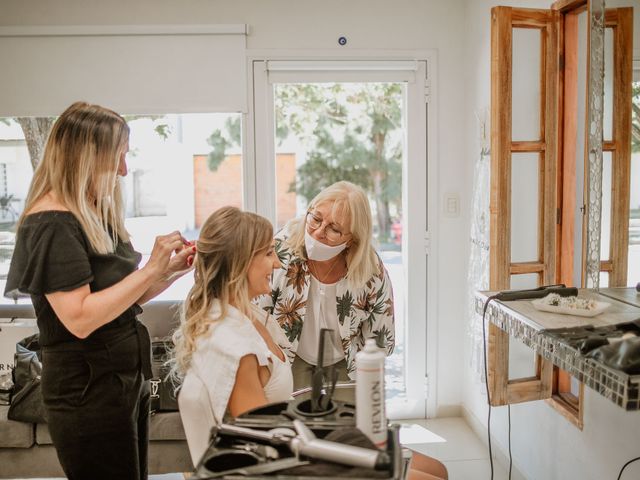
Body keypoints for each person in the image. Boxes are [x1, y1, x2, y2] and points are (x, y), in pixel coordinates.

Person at [4, 101, 194, 480]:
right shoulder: (51, 223)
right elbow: (79, 318)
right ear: (85, 157)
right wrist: (151, 267)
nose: (124, 170)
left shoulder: (89, 213)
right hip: (86, 394)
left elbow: (120, 301)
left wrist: (167, 273)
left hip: (121, 382)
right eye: (117, 157)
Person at [172, 206, 293, 466]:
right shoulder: (237, 349)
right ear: (241, 262)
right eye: (269, 253)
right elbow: (262, 450)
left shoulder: (242, 316)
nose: (277, 263)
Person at [259, 181, 395, 390]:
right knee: (292, 419)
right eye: (316, 218)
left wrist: (370, 384)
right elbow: (259, 312)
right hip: (289, 358)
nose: (318, 232)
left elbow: (381, 337)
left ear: (352, 239)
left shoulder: (370, 269)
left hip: (347, 364)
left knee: (347, 421)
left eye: (334, 229)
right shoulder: (281, 247)